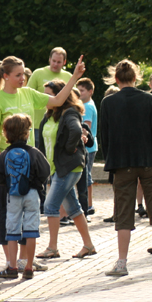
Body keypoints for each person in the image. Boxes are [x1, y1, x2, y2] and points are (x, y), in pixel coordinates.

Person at [0, 55, 86, 270]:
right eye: (18, 75)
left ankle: (24, 260)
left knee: (29, 213)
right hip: (10, 165)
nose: (23, 79)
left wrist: (75, 77)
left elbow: (58, 101)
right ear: (5, 76)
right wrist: (1, 163)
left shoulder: (29, 93)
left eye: (24, 74)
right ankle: (11, 261)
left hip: (29, 164)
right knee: (8, 212)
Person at [98, 60, 152, 275]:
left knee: (124, 214)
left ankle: (122, 262)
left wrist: (113, 159)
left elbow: (105, 137)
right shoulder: (150, 100)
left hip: (122, 163)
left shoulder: (108, 103)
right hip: (149, 161)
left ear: (116, 78)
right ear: (136, 77)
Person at [36, 80, 97, 260]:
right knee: (73, 207)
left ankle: (52, 248)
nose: (47, 98)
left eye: (50, 94)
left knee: (50, 205)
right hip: (57, 168)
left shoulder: (69, 112)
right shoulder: (49, 115)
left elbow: (76, 131)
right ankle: (89, 245)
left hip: (68, 167)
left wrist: (69, 150)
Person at [0, 114, 50, 280]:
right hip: (32, 194)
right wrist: (36, 183)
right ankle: (29, 267)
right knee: (31, 230)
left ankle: (12, 266)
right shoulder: (34, 152)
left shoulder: (4, 155)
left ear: (6, 135)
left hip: (13, 196)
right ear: (27, 134)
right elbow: (45, 171)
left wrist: (12, 184)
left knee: (12, 230)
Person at [26, 47, 72, 145]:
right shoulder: (38, 73)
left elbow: (73, 99)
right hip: (38, 124)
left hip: (60, 123)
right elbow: (27, 96)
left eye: (59, 62)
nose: (55, 64)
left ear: (64, 62)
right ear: (49, 59)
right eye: (53, 61)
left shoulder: (68, 76)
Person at [76, 77, 97, 216]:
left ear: (90, 91)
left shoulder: (87, 106)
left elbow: (86, 129)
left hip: (88, 148)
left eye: (82, 90)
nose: (79, 93)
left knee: (86, 177)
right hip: (91, 147)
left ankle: (88, 205)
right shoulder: (89, 103)